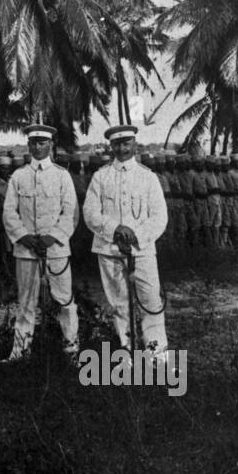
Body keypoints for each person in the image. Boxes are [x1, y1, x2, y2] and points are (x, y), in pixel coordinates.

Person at [83, 125, 169, 356]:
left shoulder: (147, 177)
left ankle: (156, 355)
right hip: (109, 249)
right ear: (111, 146)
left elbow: (159, 216)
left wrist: (136, 235)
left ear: (135, 145)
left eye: (126, 143)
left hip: (142, 250)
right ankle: (127, 353)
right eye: (117, 144)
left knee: (151, 301)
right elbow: (90, 213)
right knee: (119, 304)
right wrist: (115, 229)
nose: (122, 148)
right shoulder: (100, 177)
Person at [2, 124, 79, 361]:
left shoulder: (61, 175)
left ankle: (71, 351)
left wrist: (51, 237)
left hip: (56, 251)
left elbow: (71, 213)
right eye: (34, 142)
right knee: (25, 304)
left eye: (42, 143)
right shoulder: (19, 175)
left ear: (50, 145)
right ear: (28, 145)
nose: (38, 147)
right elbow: (9, 212)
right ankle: (21, 352)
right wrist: (24, 237)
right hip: (26, 251)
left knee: (65, 302)